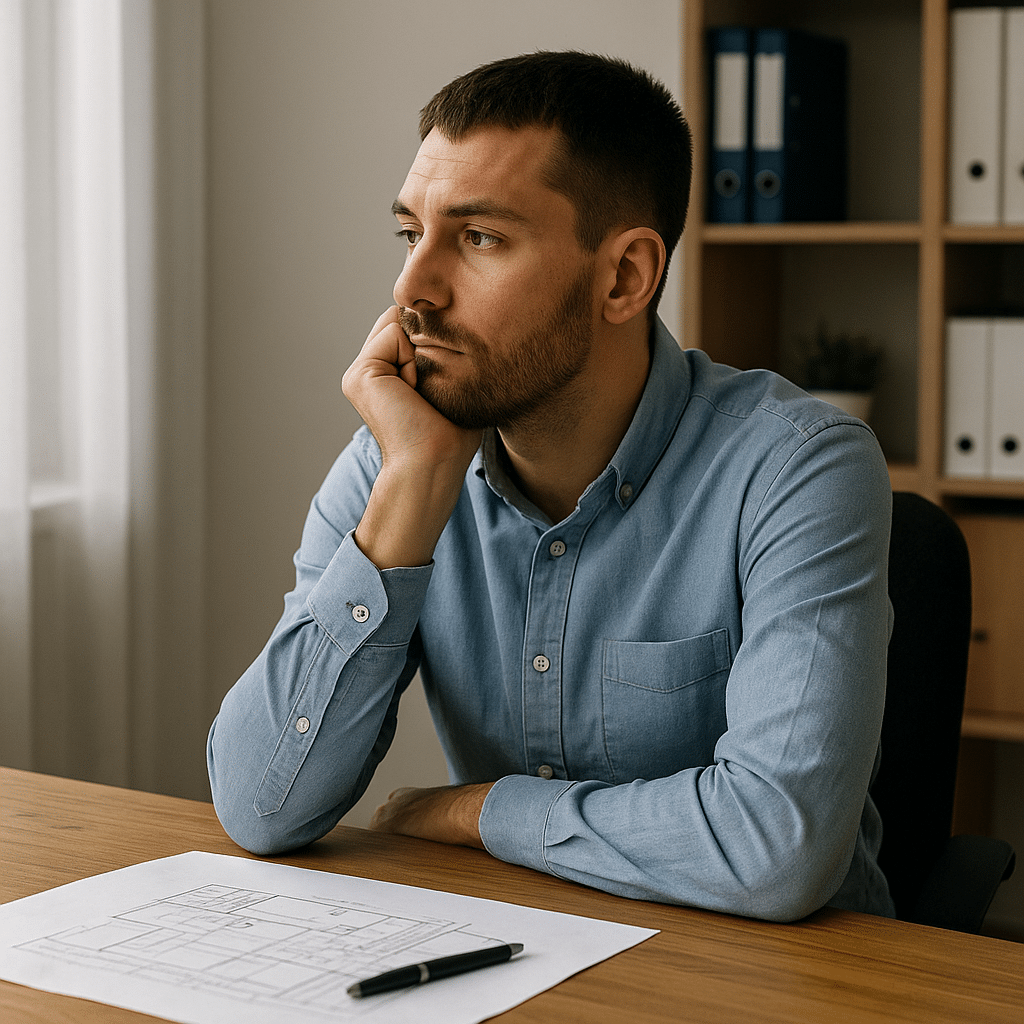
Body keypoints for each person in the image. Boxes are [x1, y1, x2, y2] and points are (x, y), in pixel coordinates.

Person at [207, 51, 895, 923]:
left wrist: (477, 811)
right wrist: (412, 487)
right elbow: (259, 806)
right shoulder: (399, 460)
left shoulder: (799, 468)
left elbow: (775, 851)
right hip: (521, 947)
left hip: (786, 973)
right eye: (412, 234)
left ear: (624, 277)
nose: (412, 289)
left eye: (479, 238)